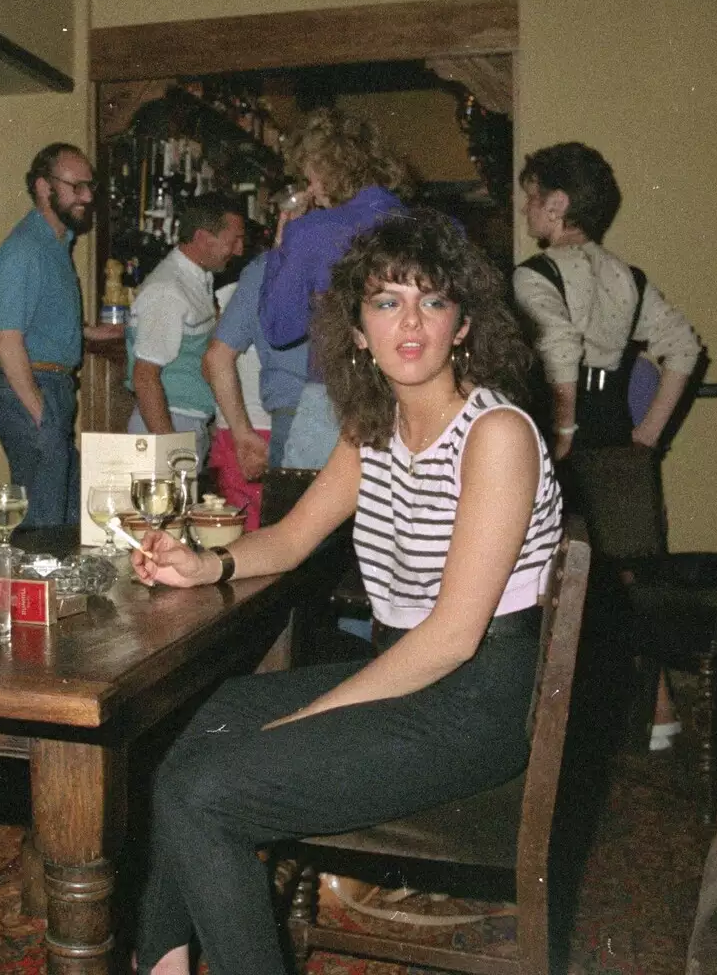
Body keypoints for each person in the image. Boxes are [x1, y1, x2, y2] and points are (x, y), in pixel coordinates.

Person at [131, 209, 563, 975]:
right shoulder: (374, 429)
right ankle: (160, 962)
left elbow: (454, 638)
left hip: (474, 703)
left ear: (462, 324)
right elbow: (293, 539)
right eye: (386, 302)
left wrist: (307, 719)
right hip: (409, 681)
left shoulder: (496, 435)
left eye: (433, 301)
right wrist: (206, 564)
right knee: (199, 721)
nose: (411, 323)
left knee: (205, 792)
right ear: (357, 331)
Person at [511, 142, 702, 750]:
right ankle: (661, 715)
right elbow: (685, 350)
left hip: (564, 447)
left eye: (530, 196)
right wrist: (647, 435)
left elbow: (560, 350)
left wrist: (561, 431)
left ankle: (561, 732)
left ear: (557, 205)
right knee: (622, 581)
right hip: (619, 444)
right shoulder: (627, 276)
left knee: (551, 586)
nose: (524, 208)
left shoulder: (532, 277)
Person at [259, 108, 412, 469]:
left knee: (306, 520)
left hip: (336, 401)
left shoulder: (313, 231)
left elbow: (280, 329)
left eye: (309, 175)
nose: (309, 187)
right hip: (415, 399)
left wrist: (282, 248)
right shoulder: (426, 223)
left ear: (326, 167)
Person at [0, 143, 121, 528]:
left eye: (89, 186)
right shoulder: (24, 250)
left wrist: (94, 333)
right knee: (45, 526)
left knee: (68, 514)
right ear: (44, 188)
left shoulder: (56, 245)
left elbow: (39, 323)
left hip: (51, 386)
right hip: (29, 386)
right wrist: (41, 413)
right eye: (76, 187)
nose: (88, 196)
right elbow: (7, 342)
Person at [126, 195, 247, 466]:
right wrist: (170, 450)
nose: (239, 250)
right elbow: (145, 377)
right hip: (167, 423)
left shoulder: (197, 279)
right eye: (233, 240)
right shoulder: (168, 290)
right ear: (204, 238)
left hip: (188, 422)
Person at [202, 268, 309, 528]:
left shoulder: (249, 284)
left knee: (255, 527)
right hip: (253, 426)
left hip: (251, 426)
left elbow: (212, 363)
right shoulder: (249, 285)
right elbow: (213, 362)